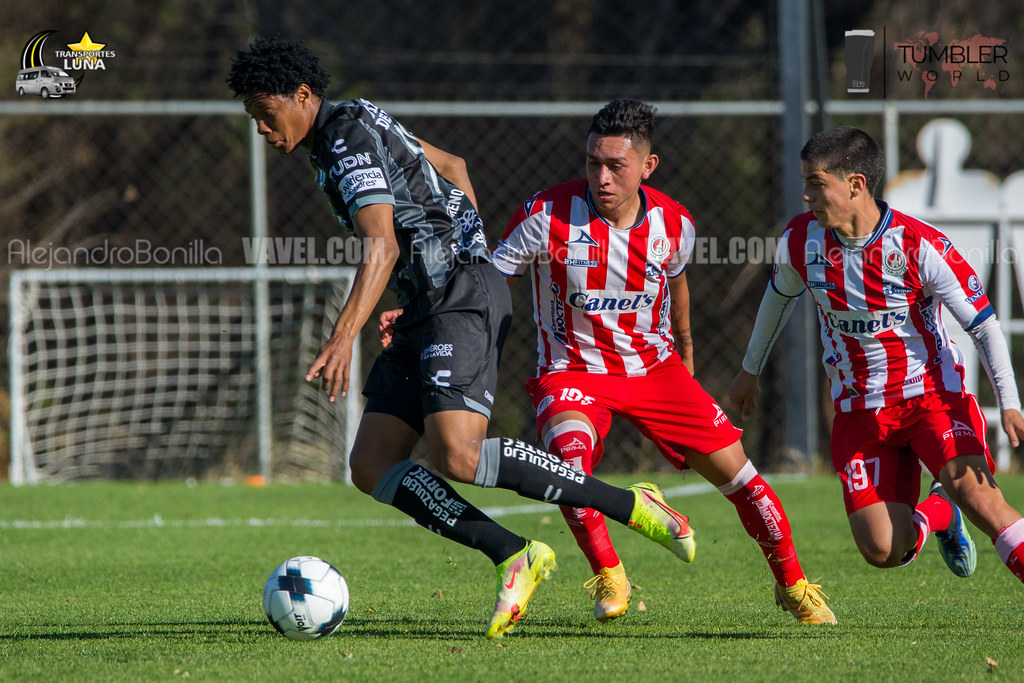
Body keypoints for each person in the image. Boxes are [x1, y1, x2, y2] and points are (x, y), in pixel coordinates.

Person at [227, 37, 698, 639]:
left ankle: (630, 504)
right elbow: (453, 169)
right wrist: (447, 268)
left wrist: (351, 332)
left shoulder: (343, 139)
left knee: (458, 455)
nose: (263, 129)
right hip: (435, 298)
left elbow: (383, 243)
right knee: (371, 464)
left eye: (266, 114)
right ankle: (514, 553)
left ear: (302, 95)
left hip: (457, 298)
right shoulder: (356, 118)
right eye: (253, 120)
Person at [491, 98, 836, 624]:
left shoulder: (675, 223)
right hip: (571, 372)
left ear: (647, 167)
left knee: (745, 482)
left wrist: (687, 353)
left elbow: (677, 283)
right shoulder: (544, 215)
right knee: (568, 465)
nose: (601, 177)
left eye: (615, 166)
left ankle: (793, 585)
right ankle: (610, 572)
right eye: (592, 163)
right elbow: (490, 282)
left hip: (655, 371)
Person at [729, 126, 1024, 587]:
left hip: (930, 397)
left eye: (815, 183)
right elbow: (777, 297)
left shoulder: (917, 244)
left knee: (981, 500)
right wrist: (750, 371)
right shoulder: (800, 241)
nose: (805, 195)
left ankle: (954, 501)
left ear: (855, 185)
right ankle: (938, 512)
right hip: (858, 409)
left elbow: (983, 324)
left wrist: (1009, 402)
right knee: (883, 550)